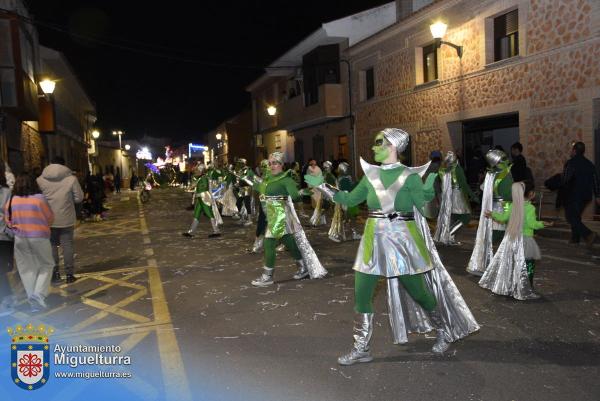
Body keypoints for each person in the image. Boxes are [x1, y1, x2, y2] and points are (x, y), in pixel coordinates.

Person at [315, 128, 478, 365]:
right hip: (373, 241)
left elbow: (427, 211)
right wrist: (323, 186)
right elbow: (349, 200)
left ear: (393, 147)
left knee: (419, 292)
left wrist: (428, 191)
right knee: (361, 295)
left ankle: (444, 329)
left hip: (402, 241)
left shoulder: (410, 176)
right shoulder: (370, 176)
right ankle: (361, 348)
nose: (373, 148)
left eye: (378, 143)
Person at [249, 152, 326, 287]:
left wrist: (300, 192)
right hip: (272, 215)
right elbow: (259, 187)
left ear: (281, 165)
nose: (272, 165)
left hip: (281, 215)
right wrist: (246, 178)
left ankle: (267, 276)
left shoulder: (286, 179)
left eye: (275, 163)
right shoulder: (267, 179)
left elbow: (295, 197)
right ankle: (303, 267)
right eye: (270, 163)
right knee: (289, 242)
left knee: (269, 243)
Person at [479, 181, 550, 299]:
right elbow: (532, 224)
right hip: (525, 240)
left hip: (511, 239)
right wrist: (543, 223)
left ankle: (509, 287)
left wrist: (492, 214)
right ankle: (526, 289)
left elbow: (503, 218)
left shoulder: (512, 206)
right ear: (531, 194)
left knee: (511, 264)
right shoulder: (530, 208)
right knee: (528, 266)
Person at [5, 174, 54, 312]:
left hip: (20, 238)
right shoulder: (39, 199)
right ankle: (38, 295)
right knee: (47, 264)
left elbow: (8, 220)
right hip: (39, 236)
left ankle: (34, 301)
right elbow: (50, 218)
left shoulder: (12, 200)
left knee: (27, 269)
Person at [37, 156, 84, 284]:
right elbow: (79, 197)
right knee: (67, 245)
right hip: (66, 217)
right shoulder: (71, 179)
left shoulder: (40, 180)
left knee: (52, 245)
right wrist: (68, 201)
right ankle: (69, 275)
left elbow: (37, 198)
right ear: (64, 165)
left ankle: (55, 273)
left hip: (48, 218)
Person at [433, 151, 478, 245]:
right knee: (466, 216)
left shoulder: (443, 170)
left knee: (454, 217)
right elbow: (464, 185)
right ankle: (449, 235)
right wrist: (473, 196)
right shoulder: (457, 169)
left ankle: (448, 237)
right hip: (457, 196)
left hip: (447, 196)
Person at [562, 141, 600, 246]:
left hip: (574, 195)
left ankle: (589, 234)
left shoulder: (571, 163)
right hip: (586, 196)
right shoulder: (590, 164)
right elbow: (596, 180)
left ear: (574, 151)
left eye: (571, 149)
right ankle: (575, 239)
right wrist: (597, 195)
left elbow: (565, 180)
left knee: (571, 217)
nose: (570, 151)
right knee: (576, 216)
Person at [182, 163, 222, 238]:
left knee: (209, 214)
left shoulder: (204, 178)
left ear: (200, 170)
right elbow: (196, 186)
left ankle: (216, 231)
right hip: (200, 198)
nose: (196, 171)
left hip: (204, 198)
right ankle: (191, 232)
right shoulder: (200, 177)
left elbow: (203, 188)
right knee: (196, 214)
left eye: (197, 169)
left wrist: (193, 187)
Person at [0, 162, 14, 316]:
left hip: (3, 235)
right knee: (3, 269)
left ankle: (6, 299)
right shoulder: (7, 192)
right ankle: (7, 297)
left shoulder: (5, 192)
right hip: (4, 236)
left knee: (2, 269)